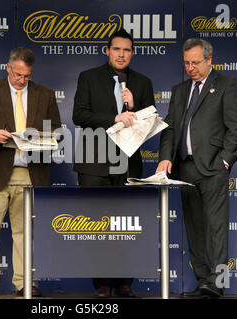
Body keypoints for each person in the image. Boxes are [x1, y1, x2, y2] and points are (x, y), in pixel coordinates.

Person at [156, 38, 237, 298]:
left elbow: (235, 128)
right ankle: (203, 282)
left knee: (216, 228)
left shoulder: (228, 85)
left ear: (209, 60)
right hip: (185, 169)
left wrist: (225, 162)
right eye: (186, 63)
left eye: (195, 62)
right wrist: (165, 157)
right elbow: (170, 128)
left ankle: (217, 284)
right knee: (195, 229)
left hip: (214, 168)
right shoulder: (180, 90)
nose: (190, 67)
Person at [0, 47, 61, 298]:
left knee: (25, 232)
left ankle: (25, 281)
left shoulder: (46, 94)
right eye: (18, 75)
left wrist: (40, 139)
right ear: (7, 68)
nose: (22, 80)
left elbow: (56, 131)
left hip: (29, 172)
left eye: (27, 76)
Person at [72, 29, 155, 298]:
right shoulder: (88, 77)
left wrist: (135, 107)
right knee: (98, 225)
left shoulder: (143, 82)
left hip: (129, 162)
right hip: (93, 161)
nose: (121, 54)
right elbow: (79, 116)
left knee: (127, 225)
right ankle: (102, 283)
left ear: (132, 53)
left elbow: (150, 122)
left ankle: (124, 282)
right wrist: (115, 117)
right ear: (107, 50)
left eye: (127, 50)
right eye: (116, 49)